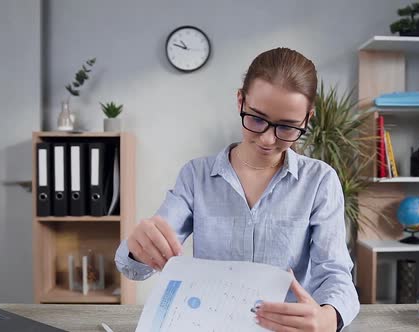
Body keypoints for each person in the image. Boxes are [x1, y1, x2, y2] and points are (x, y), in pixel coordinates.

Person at [115, 47, 360, 331]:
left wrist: (329, 317)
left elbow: (335, 274)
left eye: (288, 127)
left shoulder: (319, 181)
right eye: (257, 119)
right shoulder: (197, 176)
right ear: (240, 100)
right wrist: (138, 248)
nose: (268, 140)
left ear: (307, 119)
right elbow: (134, 267)